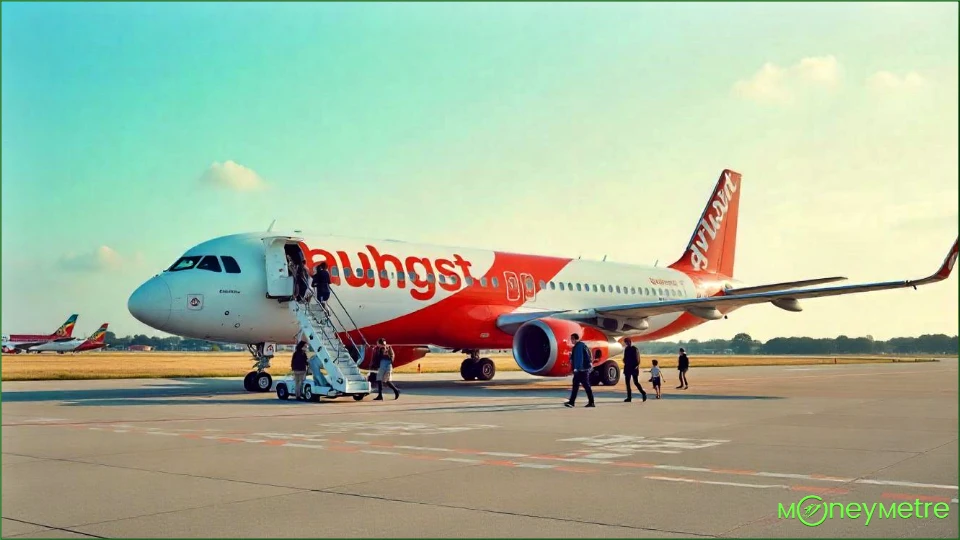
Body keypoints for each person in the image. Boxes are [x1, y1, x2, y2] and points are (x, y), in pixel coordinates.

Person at [564, 333, 595, 408]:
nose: (571, 340)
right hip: (583, 370)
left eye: (572, 339)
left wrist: (576, 368)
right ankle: (572, 402)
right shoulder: (581, 345)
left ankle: (591, 402)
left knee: (585, 386)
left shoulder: (578, 346)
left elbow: (579, 358)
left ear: (575, 339)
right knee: (577, 385)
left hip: (581, 370)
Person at [622, 338, 647, 403]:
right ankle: (629, 397)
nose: (627, 343)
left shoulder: (634, 349)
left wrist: (635, 366)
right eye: (626, 342)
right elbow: (625, 358)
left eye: (627, 342)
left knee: (636, 382)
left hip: (633, 368)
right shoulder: (626, 349)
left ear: (630, 342)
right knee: (627, 383)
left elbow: (637, 359)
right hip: (627, 368)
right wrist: (624, 361)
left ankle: (643, 393)